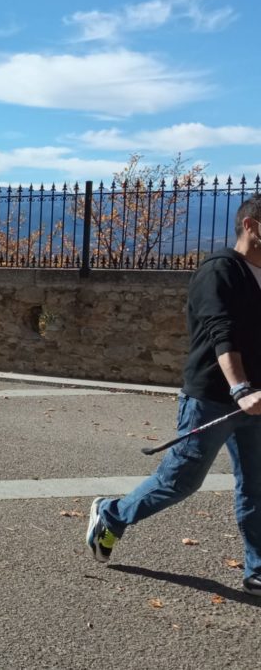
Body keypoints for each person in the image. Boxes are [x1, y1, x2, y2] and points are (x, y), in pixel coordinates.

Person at [86, 193, 261, 597]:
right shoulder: (219, 271)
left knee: (257, 483)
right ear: (251, 226)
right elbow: (222, 332)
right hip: (213, 397)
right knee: (180, 481)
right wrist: (241, 388)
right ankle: (111, 515)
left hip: (256, 401)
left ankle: (257, 568)